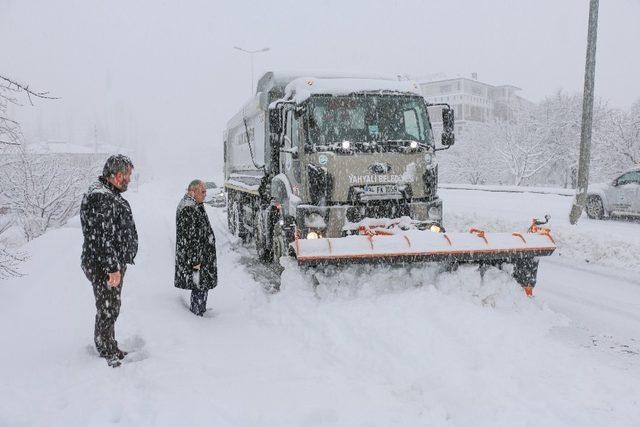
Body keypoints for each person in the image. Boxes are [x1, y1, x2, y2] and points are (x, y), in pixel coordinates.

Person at [80, 154, 138, 368]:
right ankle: (106, 349)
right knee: (108, 306)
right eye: (128, 175)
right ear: (116, 175)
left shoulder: (106, 192)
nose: (129, 180)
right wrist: (113, 268)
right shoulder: (101, 197)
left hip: (107, 263)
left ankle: (108, 343)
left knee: (111, 304)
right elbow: (101, 238)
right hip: (103, 265)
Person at [174, 180, 218, 316]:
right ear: (192, 192)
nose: (205, 195)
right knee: (199, 286)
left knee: (202, 285)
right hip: (197, 259)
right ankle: (197, 314)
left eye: (205, 191)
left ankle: (200, 310)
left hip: (201, 256)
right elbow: (191, 239)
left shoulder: (194, 204)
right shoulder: (189, 208)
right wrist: (195, 261)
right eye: (202, 192)